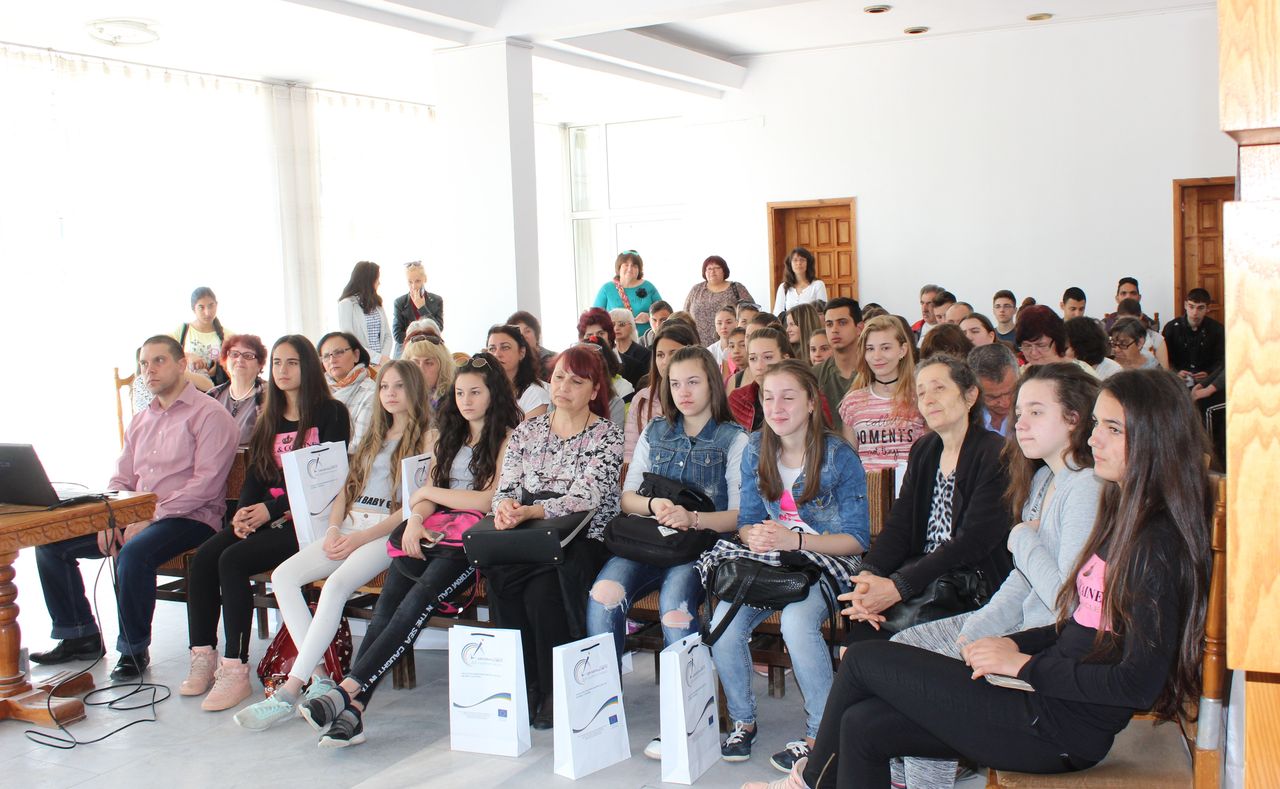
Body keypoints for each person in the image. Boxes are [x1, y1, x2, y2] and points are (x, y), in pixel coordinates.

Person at [773, 369, 1211, 789]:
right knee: (863, 725)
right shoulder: (1124, 519)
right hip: (1044, 695)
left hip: (1058, 727)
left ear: (1156, 437)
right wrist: (1013, 644)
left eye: (1112, 428)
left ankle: (811, 782)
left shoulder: (1156, 544)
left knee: (863, 660)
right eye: (1097, 424)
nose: (1094, 438)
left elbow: (1139, 685)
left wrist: (1023, 665)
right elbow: (1082, 626)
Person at [284, 353, 522, 746]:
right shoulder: (447, 435)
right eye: (460, 393)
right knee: (386, 609)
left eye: (475, 393)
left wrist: (429, 496)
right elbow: (422, 496)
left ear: (493, 395)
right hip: (429, 530)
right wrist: (413, 521)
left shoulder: (509, 439)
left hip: (472, 541)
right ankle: (354, 712)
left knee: (419, 600)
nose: (466, 401)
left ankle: (347, 691)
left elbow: (485, 500)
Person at [883, 363, 1103, 789]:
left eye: (1036, 412)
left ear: (1073, 418)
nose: (1020, 424)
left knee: (917, 675)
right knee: (902, 651)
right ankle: (903, 770)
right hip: (1014, 621)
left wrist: (1021, 537)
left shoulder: (1086, 488)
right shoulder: (1044, 478)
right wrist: (977, 627)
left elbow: (1065, 599)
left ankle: (916, 774)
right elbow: (1021, 580)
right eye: (1019, 413)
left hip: (1045, 642)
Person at [232, 361, 430, 733]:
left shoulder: (429, 439)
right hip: (349, 523)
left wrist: (359, 538)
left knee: (336, 586)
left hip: (384, 531)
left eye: (399, 386)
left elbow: (413, 507)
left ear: (415, 390)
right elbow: (346, 489)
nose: (389, 393)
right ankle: (320, 677)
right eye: (384, 386)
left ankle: (289, 691)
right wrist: (335, 527)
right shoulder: (372, 434)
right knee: (284, 577)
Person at [31, 336, 238, 680]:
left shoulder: (209, 414)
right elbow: (121, 478)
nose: (149, 370)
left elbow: (205, 485)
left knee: (134, 553)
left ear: (181, 364)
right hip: (138, 516)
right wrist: (109, 518)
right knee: (51, 544)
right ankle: (79, 635)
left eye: (159, 361)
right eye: (143, 363)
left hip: (192, 518)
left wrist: (150, 518)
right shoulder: (141, 420)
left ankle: (133, 649)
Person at [587, 346, 748, 755]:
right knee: (603, 594)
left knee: (675, 606)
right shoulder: (655, 431)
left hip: (700, 546)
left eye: (693, 382)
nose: (683, 392)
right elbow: (627, 498)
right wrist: (654, 504)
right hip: (648, 539)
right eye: (675, 384)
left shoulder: (734, 438)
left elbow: (739, 516)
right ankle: (602, 711)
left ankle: (686, 721)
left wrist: (692, 519)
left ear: (713, 383)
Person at [710, 360, 869, 770]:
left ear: (812, 402)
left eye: (788, 397)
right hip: (773, 562)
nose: (776, 407)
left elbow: (857, 540)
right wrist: (755, 536)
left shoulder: (838, 455)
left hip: (827, 563)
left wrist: (794, 540)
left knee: (797, 623)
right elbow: (747, 521)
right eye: (768, 397)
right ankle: (743, 721)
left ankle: (820, 735)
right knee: (722, 625)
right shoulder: (756, 447)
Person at [181, 335, 349, 709]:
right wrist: (243, 514)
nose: (282, 370)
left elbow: (330, 480)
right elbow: (256, 474)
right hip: (268, 516)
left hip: (310, 521)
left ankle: (235, 668)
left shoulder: (331, 413)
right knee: (206, 556)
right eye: (277, 363)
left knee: (233, 560)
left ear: (308, 366)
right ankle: (203, 654)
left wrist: (271, 511)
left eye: (292, 362)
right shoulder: (267, 413)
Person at [487, 345, 625, 730]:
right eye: (559, 377)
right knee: (500, 581)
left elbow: (588, 496)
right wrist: (505, 507)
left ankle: (553, 688)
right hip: (529, 536)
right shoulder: (527, 431)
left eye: (576, 381)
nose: (563, 386)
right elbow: (505, 488)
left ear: (595, 390)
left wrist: (534, 511)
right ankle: (524, 684)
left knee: (543, 591)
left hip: (583, 537)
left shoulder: (607, 435)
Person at [839, 354, 1012, 648]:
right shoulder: (924, 450)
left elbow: (972, 542)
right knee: (854, 645)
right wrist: (867, 577)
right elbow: (900, 525)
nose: (929, 399)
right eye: (921, 393)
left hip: (969, 586)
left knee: (876, 654)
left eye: (939, 388)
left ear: (970, 396)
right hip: (922, 581)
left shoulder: (995, 453)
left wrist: (898, 587)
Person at [838, 315, 927, 472]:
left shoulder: (921, 397)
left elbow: (931, 453)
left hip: (911, 485)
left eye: (885, 348)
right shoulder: (852, 402)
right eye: (870, 349)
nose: (877, 356)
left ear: (902, 350)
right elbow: (849, 463)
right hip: (867, 486)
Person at [626, 323, 699, 464]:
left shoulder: (702, 397)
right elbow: (630, 454)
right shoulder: (641, 399)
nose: (665, 361)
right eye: (660, 355)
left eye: (674, 353)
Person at [318, 331, 377, 449]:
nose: (332, 360)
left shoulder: (370, 392)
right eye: (326, 356)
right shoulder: (319, 392)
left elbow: (359, 446)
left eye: (339, 352)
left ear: (356, 355)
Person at [206, 333, 268, 445]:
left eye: (248, 356)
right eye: (234, 354)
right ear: (225, 360)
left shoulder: (269, 395)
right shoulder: (211, 396)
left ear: (260, 365)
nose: (240, 359)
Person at [730, 327, 793, 431]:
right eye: (753, 358)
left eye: (768, 357)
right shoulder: (737, 399)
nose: (759, 366)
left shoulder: (804, 396)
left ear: (785, 360)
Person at [684, 255, 756, 345]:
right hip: (698, 345)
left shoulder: (736, 288)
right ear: (704, 272)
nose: (712, 272)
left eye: (717, 268)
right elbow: (685, 315)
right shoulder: (696, 289)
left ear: (724, 270)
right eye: (709, 269)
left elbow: (752, 312)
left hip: (731, 344)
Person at [1162, 288, 1224, 386]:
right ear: (1185, 305)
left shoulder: (1217, 329)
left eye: (1200, 308)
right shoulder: (1171, 328)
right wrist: (1175, 373)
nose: (1195, 312)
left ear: (1208, 308)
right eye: (1191, 307)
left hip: (1208, 382)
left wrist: (1209, 373)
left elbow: (1221, 360)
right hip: (1177, 382)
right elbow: (1164, 358)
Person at [486, 324, 550, 419]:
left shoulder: (535, 395)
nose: (497, 354)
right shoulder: (486, 391)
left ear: (522, 353)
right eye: (492, 349)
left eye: (505, 347)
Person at [594, 250, 664, 337]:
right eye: (626, 265)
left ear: (639, 269)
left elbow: (664, 312)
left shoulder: (649, 287)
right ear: (619, 268)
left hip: (646, 340)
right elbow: (595, 317)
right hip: (615, 340)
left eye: (634, 266)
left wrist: (649, 317)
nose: (630, 269)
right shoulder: (607, 288)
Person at [174, 286, 229, 392]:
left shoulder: (227, 335)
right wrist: (188, 356)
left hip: (214, 393)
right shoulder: (183, 330)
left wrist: (219, 367)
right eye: (201, 307)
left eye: (211, 306)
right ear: (193, 309)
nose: (207, 312)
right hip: (185, 391)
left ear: (216, 305)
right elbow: (162, 352)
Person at [814, 297, 863, 417]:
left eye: (842, 323)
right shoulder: (815, 375)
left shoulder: (876, 369)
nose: (834, 330)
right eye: (829, 324)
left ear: (859, 328)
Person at [1015, 305, 1092, 373]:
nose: (1034, 353)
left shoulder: (1082, 373)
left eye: (1041, 345)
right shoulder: (1018, 375)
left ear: (1057, 342)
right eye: (1027, 346)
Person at [391, 261, 444, 358]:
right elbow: (398, 336)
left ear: (425, 279)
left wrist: (422, 308)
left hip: (430, 350)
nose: (414, 286)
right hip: (405, 353)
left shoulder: (437, 300)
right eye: (410, 282)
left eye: (418, 281)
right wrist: (421, 338)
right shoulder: (399, 302)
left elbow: (438, 329)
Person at [969, 343, 1020, 437]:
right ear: (973, 390)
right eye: (993, 397)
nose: (1005, 403)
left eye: (1011, 391)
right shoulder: (964, 419)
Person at [400, 330, 454, 417]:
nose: (421, 369)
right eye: (415, 362)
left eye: (429, 363)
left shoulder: (453, 403)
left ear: (442, 368)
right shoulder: (397, 398)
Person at [1114, 298, 1170, 368]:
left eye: (1132, 321)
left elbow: (1164, 371)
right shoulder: (1113, 340)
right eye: (1123, 321)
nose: (1128, 326)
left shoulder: (1155, 338)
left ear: (1140, 316)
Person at [773, 247, 828, 314]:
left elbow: (823, 311)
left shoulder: (818, 285)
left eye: (802, 260)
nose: (799, 263)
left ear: (808, 263)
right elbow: (777, 313)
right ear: (790, 264)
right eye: (795, 260)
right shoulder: (784, 287)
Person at [507, 310, 557, 378]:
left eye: (527, 331)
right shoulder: (511, 363)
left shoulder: (555, 359)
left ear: (536, 334)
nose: (523, 336)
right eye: (518, 333)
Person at [611, 307, 651, 388]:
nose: (616, 328)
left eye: (621, 324)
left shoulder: (645, 354)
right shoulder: (608, 353)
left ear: (632, 326)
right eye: (612, 325)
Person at [708, 304, 739, 373]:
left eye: (728, 322)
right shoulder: (710, 352)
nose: (723, 326)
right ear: (715, 326)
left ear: (737, 323)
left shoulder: (743, 349)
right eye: (719, 323)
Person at [725, 326, 750, 392]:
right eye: (732, 346)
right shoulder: (729, 381)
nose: (736, 351)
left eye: (742, 345)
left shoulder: (758, 376)